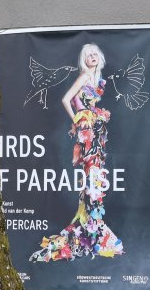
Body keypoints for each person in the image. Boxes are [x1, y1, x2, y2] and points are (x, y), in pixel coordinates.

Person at [31, 42, 125, 263]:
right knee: (92, 173)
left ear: (99, 57)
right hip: (87, 133)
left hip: (95, 132)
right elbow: (67, 99)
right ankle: (92, 229)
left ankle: (93, 225)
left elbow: (85, 103)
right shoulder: (83, 77)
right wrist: (78, 120)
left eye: (94, 54)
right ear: (84, 60)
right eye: (88, 55)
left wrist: (92, 118)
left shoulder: (96, 79)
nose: (92, 56)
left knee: (95, 175)